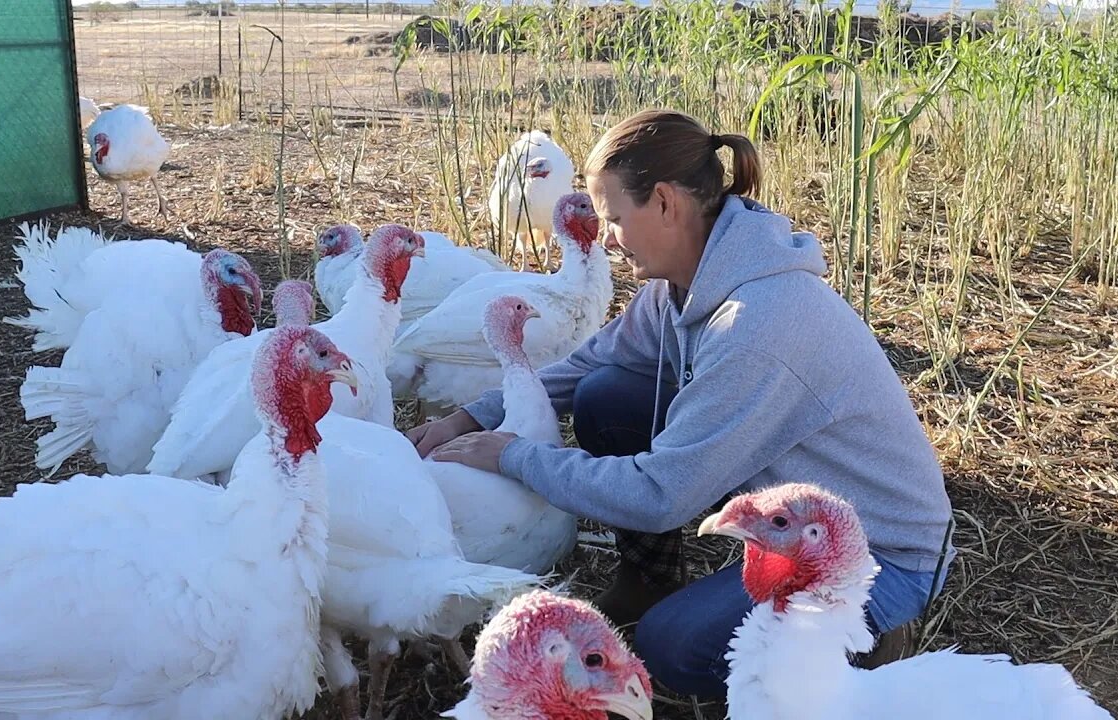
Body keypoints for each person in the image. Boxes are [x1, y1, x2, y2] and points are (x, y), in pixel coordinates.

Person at [407, 108, 953, 699]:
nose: (609, 239)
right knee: (607, 395)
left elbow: (660, 495)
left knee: (674, 647)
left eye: (616, 218)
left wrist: (514, 456)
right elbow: (589, 364)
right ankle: (650, 578)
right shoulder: (684, 285)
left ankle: (863, 646)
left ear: (665, 203)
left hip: (874, 554)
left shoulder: (759, 327)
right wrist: (473, 415)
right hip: (793, 505)